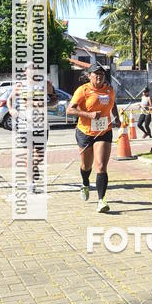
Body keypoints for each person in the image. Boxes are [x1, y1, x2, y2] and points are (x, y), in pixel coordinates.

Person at [67, 65, 121, 213]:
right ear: (89, 75)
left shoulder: (109, 90)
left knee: (101, 165)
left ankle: (101, 200)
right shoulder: (83, 90)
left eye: (102, 74)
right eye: (96, 74)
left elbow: (113, 103)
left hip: (104, 131)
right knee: (86, 165)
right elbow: (70, 109)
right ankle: (85, 183)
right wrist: (89, 115)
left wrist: (116, 117)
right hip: (85, 132)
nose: (99, 76)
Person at [7, 64, 58, 193]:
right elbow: (9, 100)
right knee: (28, 154)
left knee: (39, 155)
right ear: (25, 72)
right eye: (30, 69)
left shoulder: (45, 84)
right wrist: (11, 110)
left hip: (41, 124)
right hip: (25, 124)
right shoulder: (19, 86)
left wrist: (44, 104)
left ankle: (34, 166)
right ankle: (30, 184)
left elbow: (55, 100)